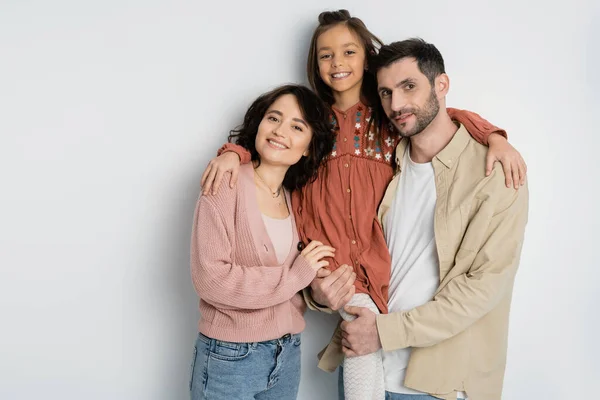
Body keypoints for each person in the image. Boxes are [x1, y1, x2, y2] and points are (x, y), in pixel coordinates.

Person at [201, 10, 527, 400]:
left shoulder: (388, 119)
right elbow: (271, 140)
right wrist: (231, 153)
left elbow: (440, 115)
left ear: (366, 59)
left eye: (349, 51)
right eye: (326, 55)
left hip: (377, 270)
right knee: (359, 337)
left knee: (364, 339)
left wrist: (494, 135)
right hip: (329, 263)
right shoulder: (313, 121)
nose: (337, 62)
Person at [329, 39, 529, 400]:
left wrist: (384, 332)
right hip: (363, 367)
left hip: (435, 384)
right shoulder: (382, 159)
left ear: (441, 85)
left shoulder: (494, 172)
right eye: (386, 92)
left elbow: (482, 288)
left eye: (409, 87)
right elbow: (341, 232)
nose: (397, 104)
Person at [189, 84, 336, 400]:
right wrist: (294, 276)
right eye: (274, 118)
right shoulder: (224, 182)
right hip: (230, 358)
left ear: (309, 146)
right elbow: (210, 279)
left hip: (288, 352)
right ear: (258, 125)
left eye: (297, 127)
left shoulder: (295, 199)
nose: (281, 131)